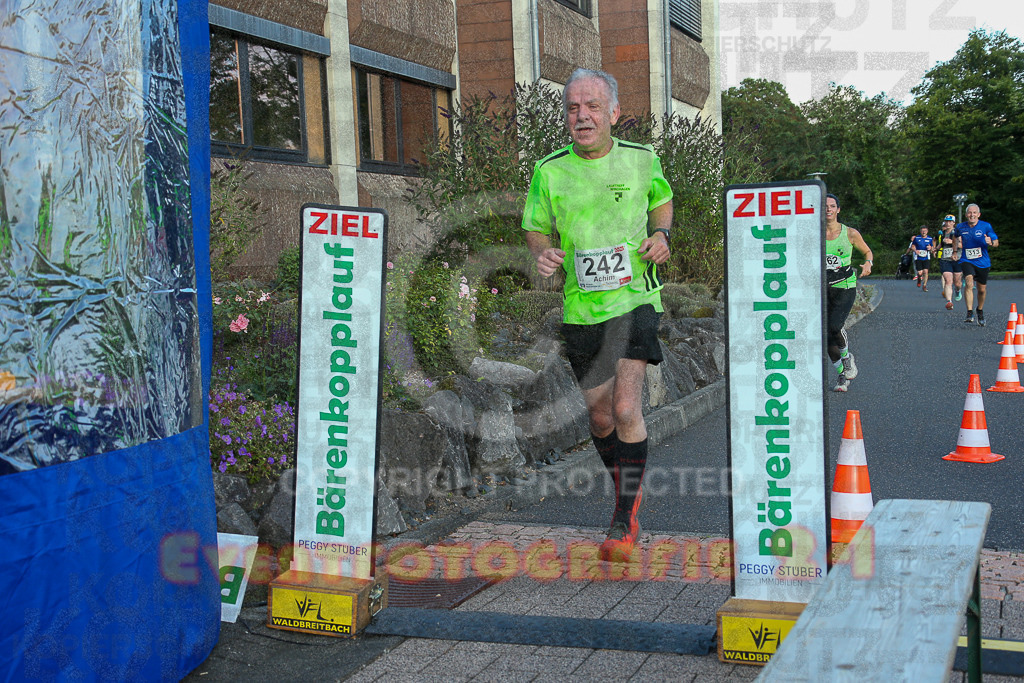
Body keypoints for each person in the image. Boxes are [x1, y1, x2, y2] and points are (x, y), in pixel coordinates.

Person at [522, 68, 673, 561]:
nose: (581, 116)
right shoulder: (549, 170)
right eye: (572, 108)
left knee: (627, 408)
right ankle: (627, 488)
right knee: (601, 415)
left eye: (591, 107)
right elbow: (535, 226)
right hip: (581, 306)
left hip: (635, 298)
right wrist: (542, 252)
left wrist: (662, 234)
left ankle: (623, 516)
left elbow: (662, 201)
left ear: (613, 113)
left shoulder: (641, 159)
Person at [825, 193, 873, 392]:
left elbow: (867, 252)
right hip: (822, 289)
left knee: (835, 326)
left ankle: (847, 358)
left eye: (832, 206)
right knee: (826, 338)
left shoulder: (850, 233)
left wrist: (868, 263)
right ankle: (842, 376)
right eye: (825, 206)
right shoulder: (814, 233)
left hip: (845, 286)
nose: (828, 209)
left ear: (838, 209)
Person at [955, 203, 999, 326]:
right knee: (969, 282)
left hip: (982, 262)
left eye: (974, 212)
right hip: (966, 260)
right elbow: (955, 237)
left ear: (979, 214)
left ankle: (979, 309)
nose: (972, 215)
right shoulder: (960, 227)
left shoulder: (986, 226)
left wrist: (991, 242)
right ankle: (969, 312)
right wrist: (954, 251)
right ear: (966, 214)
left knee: (982, 290)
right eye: (970, 212)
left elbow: (996, 242)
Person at [937, 214, 962, 310]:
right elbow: (941, 244)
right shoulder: (943, 233)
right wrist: (935, 249)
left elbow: (963, 245)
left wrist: (952, 242)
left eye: (950, 221)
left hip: (957, 259)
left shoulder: (958, 233)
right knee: (948, 280)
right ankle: (949, 302)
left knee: (957, 283)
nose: (947, 223)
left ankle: (957, 290)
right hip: (945, 259)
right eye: (946, 221)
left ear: (953, 223)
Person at [906, 225, 935, 292]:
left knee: (926, 271)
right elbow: (912, 246)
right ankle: (919, 279)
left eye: (925, 231)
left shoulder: (930, 239)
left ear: (927, 231)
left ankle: (924, 285)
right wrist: (915, 250)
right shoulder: (917, 238)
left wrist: (930, 248)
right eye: (922, 231)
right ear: (920, 231)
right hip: (918, 257)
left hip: (926, 257)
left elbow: (932, 248)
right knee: (920, 273)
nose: (923, 232)